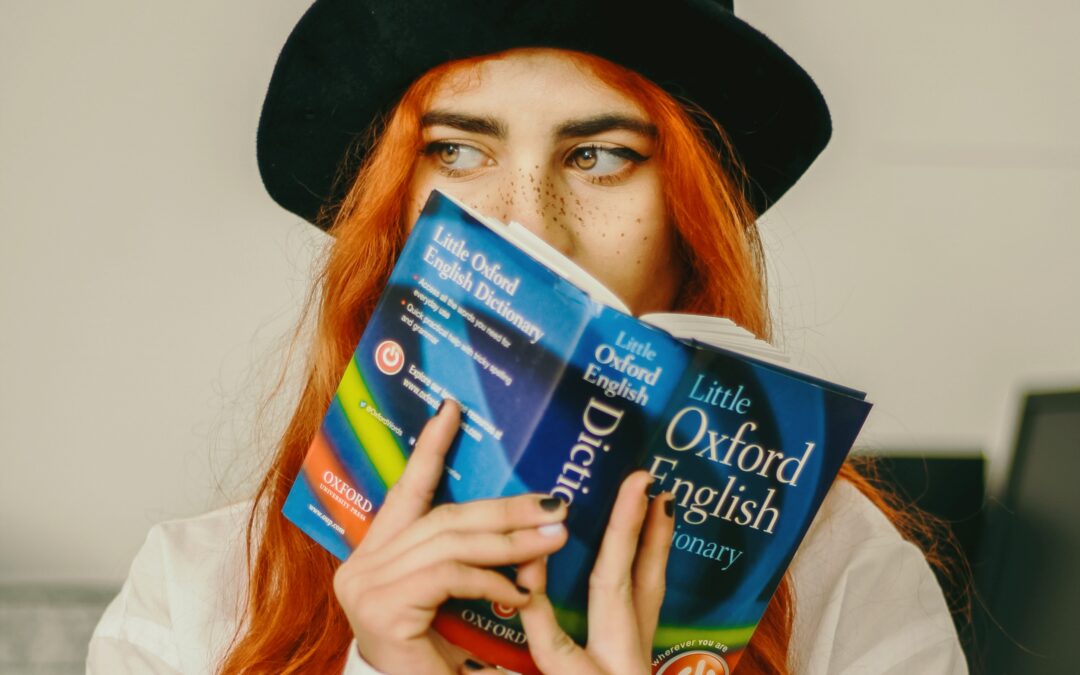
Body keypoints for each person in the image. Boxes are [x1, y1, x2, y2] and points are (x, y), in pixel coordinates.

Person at [88, 1, 969, 673]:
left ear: (687, 222)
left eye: (600, 155)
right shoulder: (196, 596)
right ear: (390, 216)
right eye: (457, 153)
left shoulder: (848, 578)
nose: (531, 229)